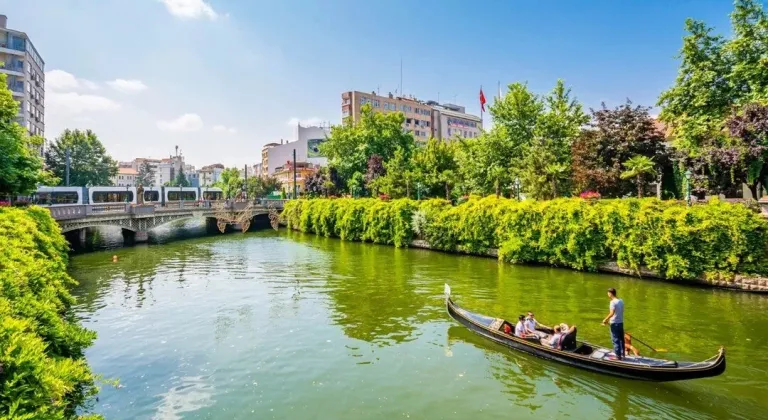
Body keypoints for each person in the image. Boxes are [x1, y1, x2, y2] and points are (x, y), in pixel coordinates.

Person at [601, 287, 625, 360]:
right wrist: (609, 320)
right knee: (621, 339)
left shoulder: (612, 302)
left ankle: (618, 357)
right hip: (621, 323)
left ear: (610, 293)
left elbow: (612, 313)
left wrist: (605, 319)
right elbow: (621, 311)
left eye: (608, 293)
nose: (607, 294)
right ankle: (622, 354)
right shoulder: (621, 301)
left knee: (615, 340)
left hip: (614, 324)